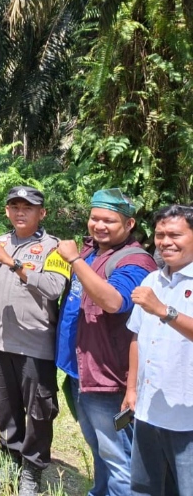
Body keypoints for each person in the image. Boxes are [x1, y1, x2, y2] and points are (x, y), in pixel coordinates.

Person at [53, 189, 157, 496]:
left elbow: (114, 302)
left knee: (120, 459)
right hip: (80, 371)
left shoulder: (135, 261)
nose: (99, 225)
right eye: (94, 218)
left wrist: (73, 259)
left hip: (109, 379)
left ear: (129, 224)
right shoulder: (91, 252)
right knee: (99, 450)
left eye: (109, 220)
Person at [0, 186, 66, 495]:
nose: (19, 212)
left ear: (41, 213)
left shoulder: (54, 248)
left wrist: (14, 264)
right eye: (14, 206)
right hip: (1, 344)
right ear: (6, 211)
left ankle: (32, 472)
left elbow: (54, 288)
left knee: (39, 412)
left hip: (36, 345)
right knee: (5, 409)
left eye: (27, 207)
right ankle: (10, 465)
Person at [122, 205, 193, 496]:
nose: (165, 242)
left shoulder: (158, 297)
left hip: (187, 418)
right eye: (160, 235)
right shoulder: (152, 280)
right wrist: (131, 390)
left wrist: (164, 310)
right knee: (146, 488)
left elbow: (162, 315)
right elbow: (137, 337)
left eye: (175, 234)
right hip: (149, 411)